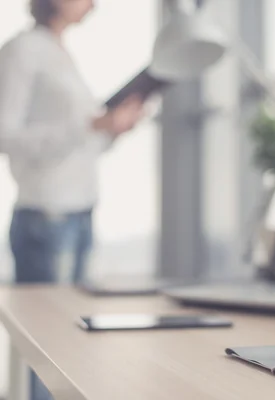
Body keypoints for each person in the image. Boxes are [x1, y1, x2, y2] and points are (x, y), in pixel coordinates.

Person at [0, 1, 144, 398]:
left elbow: (79, 147)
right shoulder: (22, 50)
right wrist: (88, 124)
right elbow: (5, 134)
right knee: (48, 348)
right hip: (47, 214)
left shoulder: (63, 54)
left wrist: (112, 131)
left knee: (68, 345)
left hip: (80, 211)